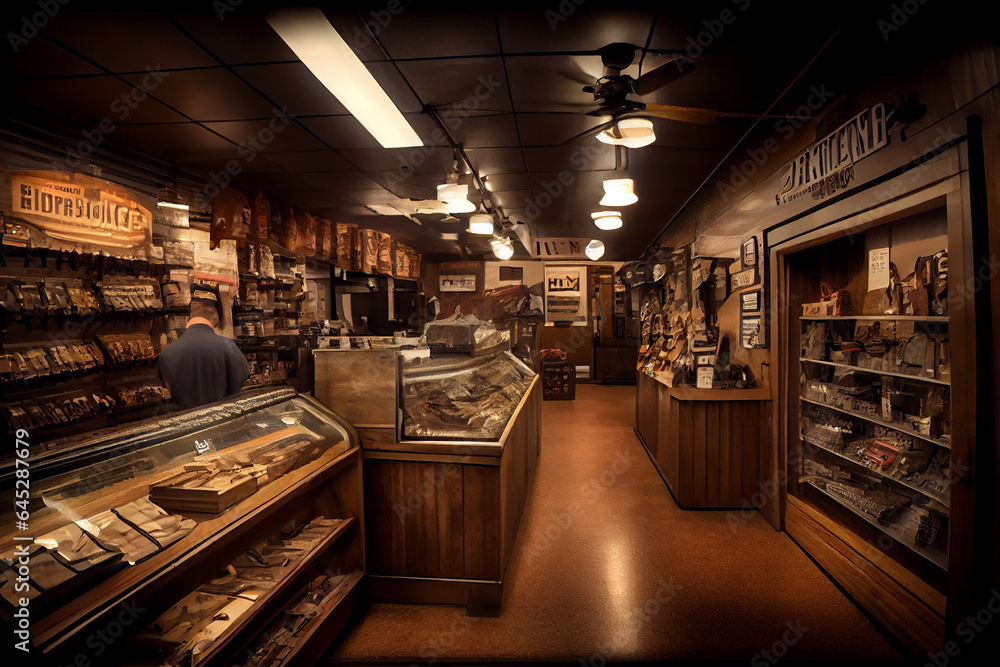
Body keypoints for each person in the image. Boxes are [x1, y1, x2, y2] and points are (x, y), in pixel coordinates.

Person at [159, 284, 249, 410]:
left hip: (186, 425)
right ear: (216, 317)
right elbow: (241, 380)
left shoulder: (167, 354)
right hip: (223, 422)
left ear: (189, 316)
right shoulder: (228, 347)